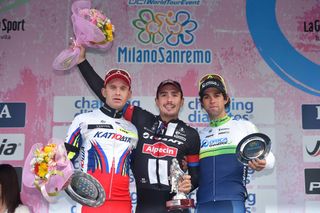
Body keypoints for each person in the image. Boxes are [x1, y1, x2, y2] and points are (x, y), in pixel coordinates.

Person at [75, 46, 200, 213]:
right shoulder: (142, 120)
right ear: (156, 101)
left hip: (176, 207)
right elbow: (109, 97)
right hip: (145, 206)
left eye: (174, 95)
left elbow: (196, 176)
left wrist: (188, 184)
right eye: (163, 95)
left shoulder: (191, 135)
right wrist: (82, 62)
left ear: (182, 101)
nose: (169, 100)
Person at [196, 74, 275, 213]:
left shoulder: (243, 126)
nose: (212, 100)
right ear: (202, 103)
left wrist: (263, 163)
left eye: (217, 95)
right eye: (207, 97)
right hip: (203, 203)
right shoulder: (199, 135)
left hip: (232, 202)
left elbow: (270, 158)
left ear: (226, 99)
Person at [64, 68, 138, 213]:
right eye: (113, 87)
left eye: (123, 88)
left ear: (128, 94)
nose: (117, 92)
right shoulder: (83, 120)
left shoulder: (133, 129)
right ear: (104, 92)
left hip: (122, 203)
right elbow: (66, 159)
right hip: (90, 201)